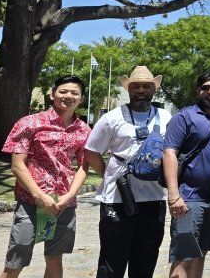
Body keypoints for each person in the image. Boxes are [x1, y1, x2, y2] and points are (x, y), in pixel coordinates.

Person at [0, 75, 91, 278]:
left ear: (81, 99)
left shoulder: (84, 130)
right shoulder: (30, 123)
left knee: (55, 257)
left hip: (64, 204)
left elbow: (84, 166)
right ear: (52, 94)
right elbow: (17, 165)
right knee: (16, 260)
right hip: (31, 201)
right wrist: (39, 195)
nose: (68, 96)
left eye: (74, 93)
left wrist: (70, 195)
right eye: (63, 91)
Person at [85, 66, 173, 278]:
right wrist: (109, 174)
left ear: (154, 89)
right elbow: (91, 151)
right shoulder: (111, 118)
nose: (141, 90)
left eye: (146, 86)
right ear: (129, 89)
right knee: (112, 260)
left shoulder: (166, 117)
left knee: (145, 259)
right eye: (135, 86)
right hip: (117, 199)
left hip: (153, 198)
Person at [163, 72, 210, 278]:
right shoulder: (184, 117)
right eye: (206, 87)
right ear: (198, 91)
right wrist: (174, 195)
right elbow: (169, 154)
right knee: (182, 257)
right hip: (188, 199)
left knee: (200, 254)